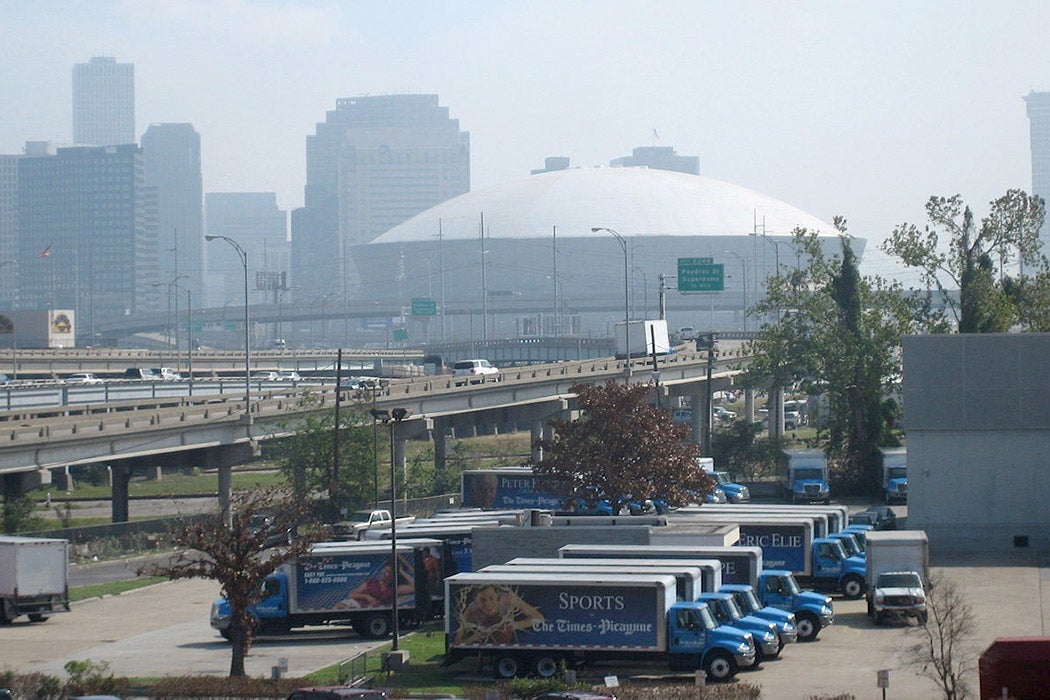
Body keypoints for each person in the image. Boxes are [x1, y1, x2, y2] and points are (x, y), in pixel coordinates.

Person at [455, 584, 545, 644]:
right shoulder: (472, 610)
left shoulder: (508, 599)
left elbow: (539, 617)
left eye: (491, 598)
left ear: (497, 595)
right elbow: (457, 641)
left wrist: (516, 625)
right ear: (476, 599)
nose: (488, 604)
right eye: (482, 600)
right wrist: (473, 638)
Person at [341, 554, 415, 608]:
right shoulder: (371, 582)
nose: (384, 573)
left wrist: (401, 571)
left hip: (378, 607)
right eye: (384, 570)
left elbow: (415, 587)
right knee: (341, 605)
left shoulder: (395, 588)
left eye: (388, 572)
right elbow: (352, 595)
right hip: (360, 604)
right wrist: (367, 596)